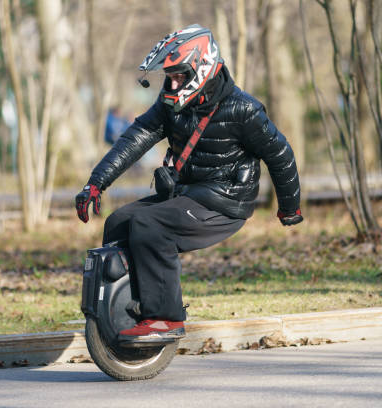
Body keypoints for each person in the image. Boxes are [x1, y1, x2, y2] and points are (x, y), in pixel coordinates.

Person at [76, 24, 302, 343]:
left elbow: (281, 153)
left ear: (201, 68)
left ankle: (165, 318)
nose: (172, 82)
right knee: (120, 221)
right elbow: (137, 136)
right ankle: (129, 304)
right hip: (187, 194)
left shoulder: (243, 109)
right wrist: (96, 183)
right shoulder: (171, 102)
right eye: (169, 76)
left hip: (225, 202)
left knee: (149, 225)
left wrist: (289, 208)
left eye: (179, 75)